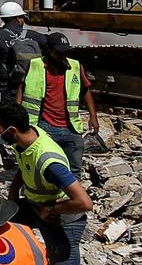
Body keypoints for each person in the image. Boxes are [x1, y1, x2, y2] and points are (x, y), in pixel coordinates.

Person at [0, 103, 94, 265]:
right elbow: (23, 165)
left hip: (61, 219)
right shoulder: (25, 139)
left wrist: (51, 210)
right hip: (38, 207)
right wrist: (13, 196)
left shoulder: (50, 161)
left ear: (11, 130)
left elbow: (84, 201)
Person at [22, 32, 98, 171]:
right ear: (49, 50)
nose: (62, 56)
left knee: (75, 168)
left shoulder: (75, 66)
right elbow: (22, 88)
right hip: (45, 126)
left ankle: (72, 192)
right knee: (46, 167)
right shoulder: (35, 65)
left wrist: (93, 116)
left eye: (65, 52)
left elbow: (85, 90)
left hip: (71, 127)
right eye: (58, 52)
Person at [0, 2, 43, 125]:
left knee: (8, 116)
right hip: (32, 85)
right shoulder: (33, 36)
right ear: (18, 18)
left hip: (7, 87)